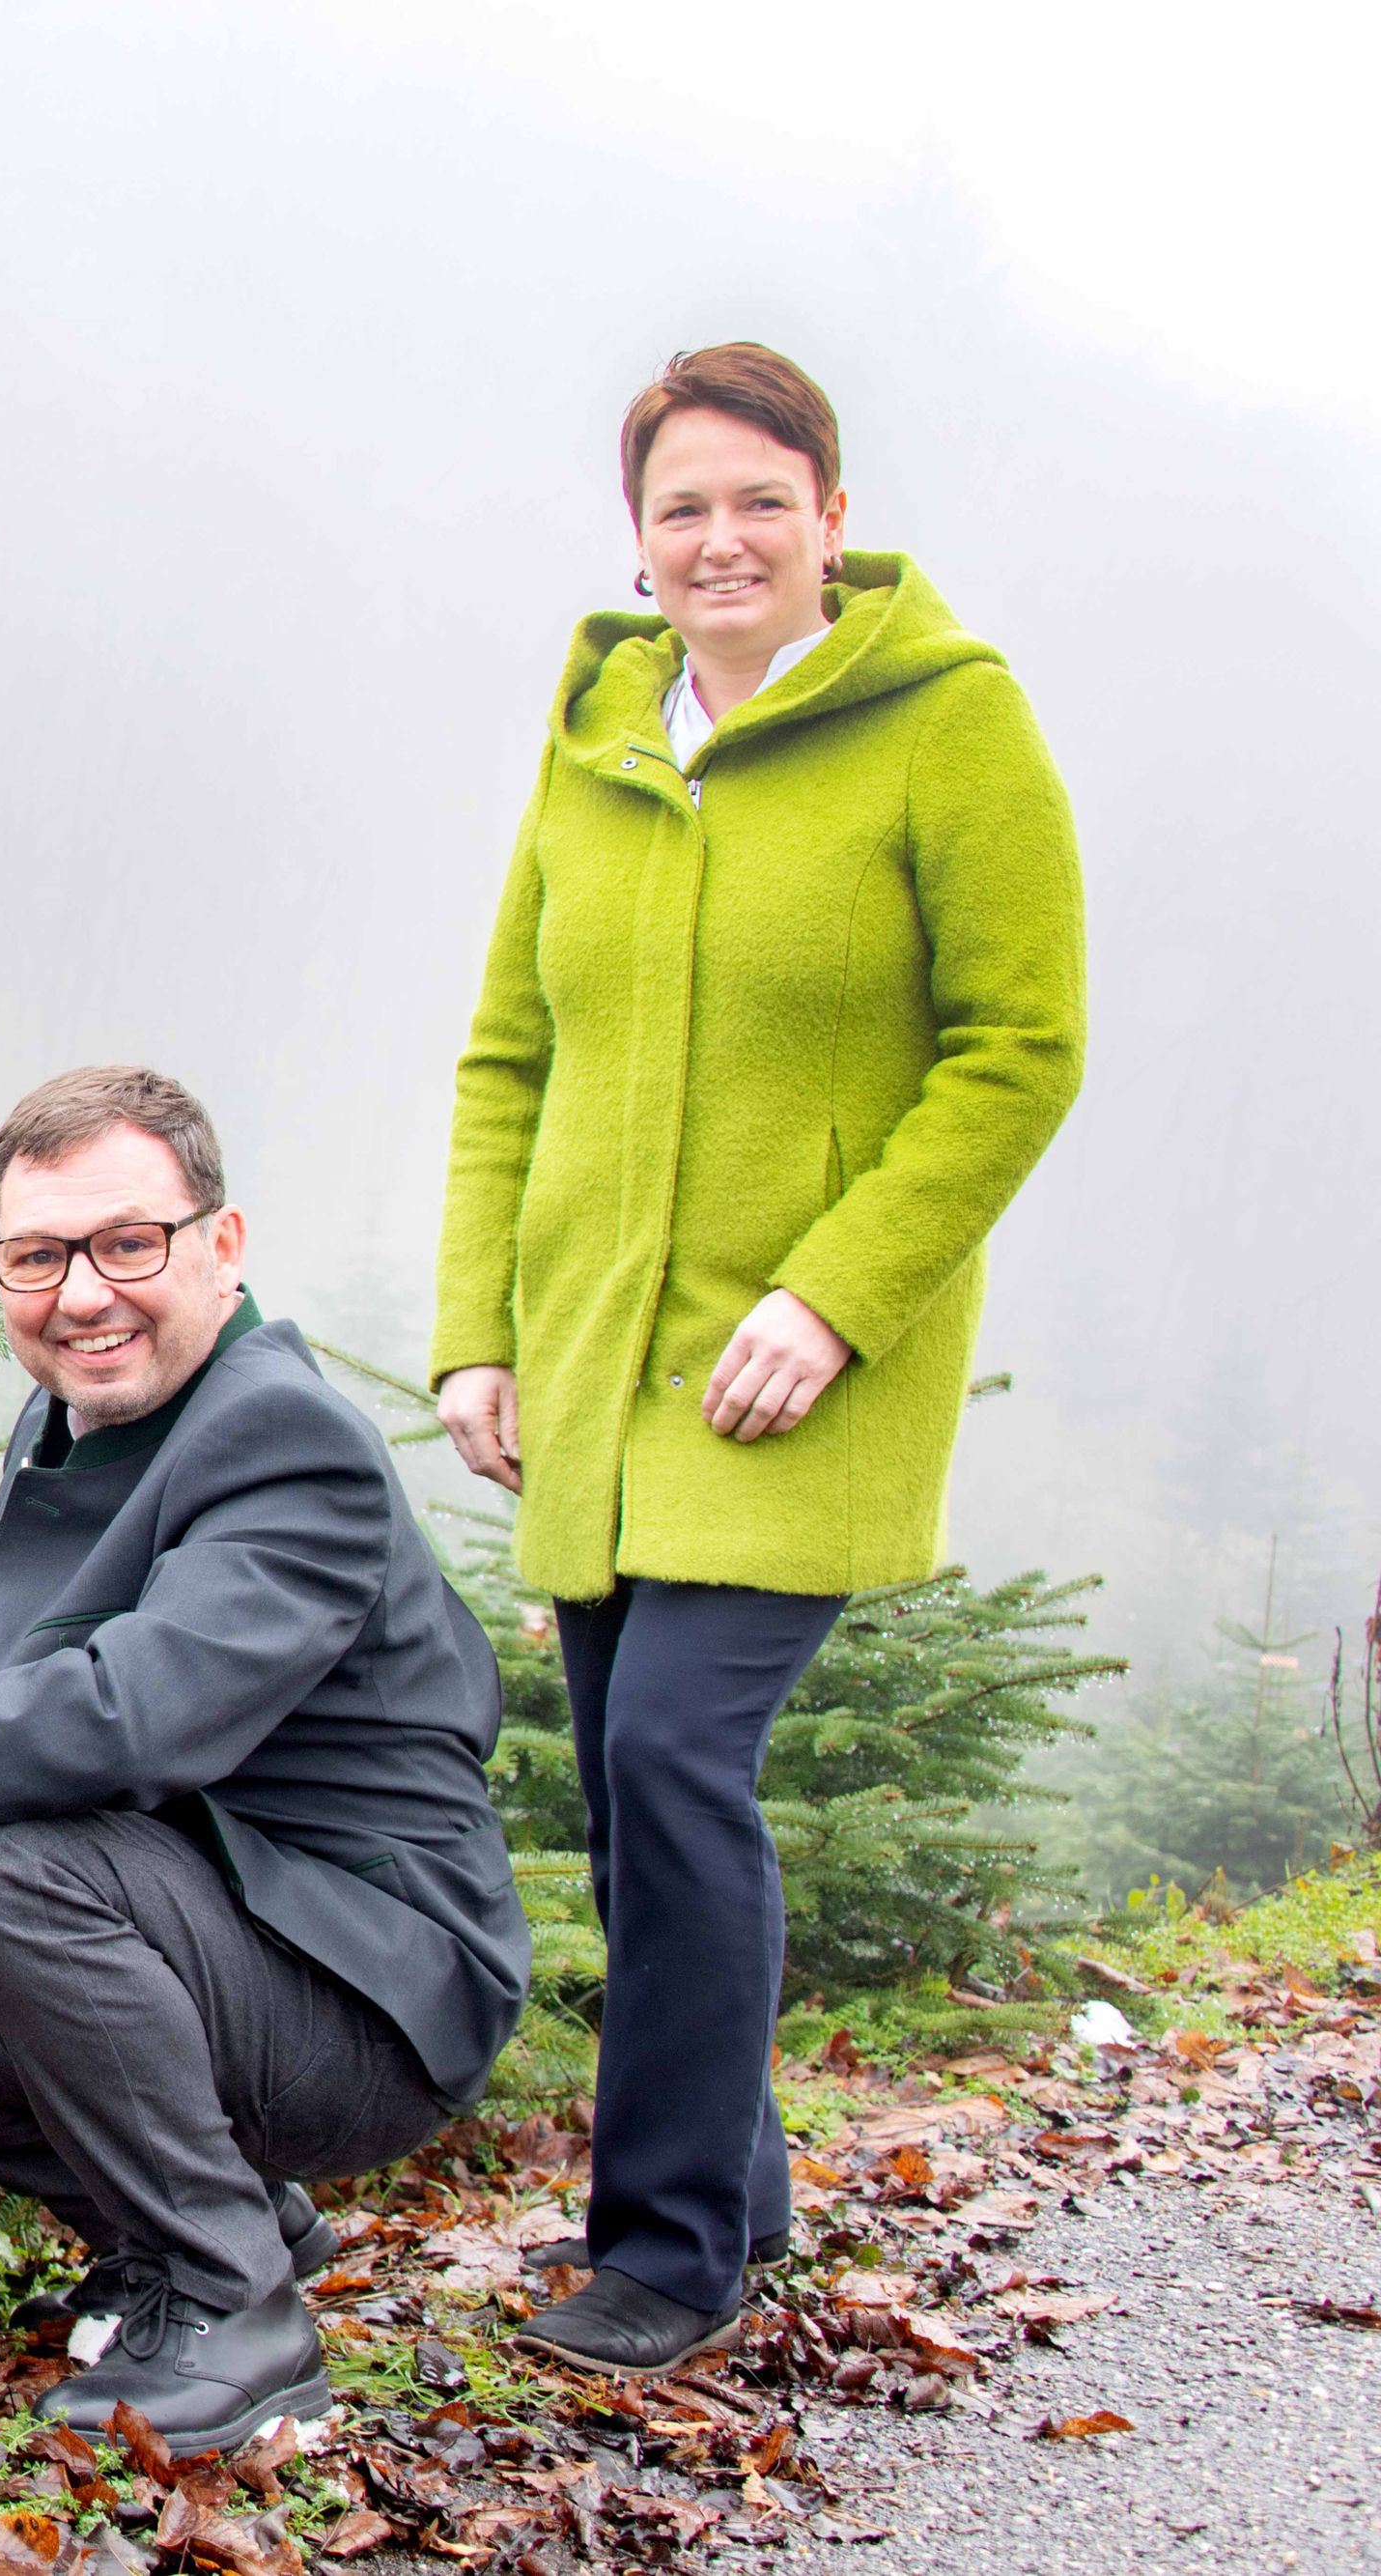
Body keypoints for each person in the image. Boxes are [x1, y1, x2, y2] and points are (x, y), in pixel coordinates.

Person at [430, 344, 1085, 2374]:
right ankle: (745, 2181)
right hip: (596, 1363)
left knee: (663, 1755)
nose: (716, 540)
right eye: (677, 508)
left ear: (825, 513)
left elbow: (1015, 1049)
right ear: (637, 539)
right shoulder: (595, 732)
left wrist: (833, 1290)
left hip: (795, 1358)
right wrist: (477, 1327)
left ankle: (664, 2246)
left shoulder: (946, 727)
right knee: (639, 1805)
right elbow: (507, 1052)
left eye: (753, 500)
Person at [0, 1066, 528, 2452]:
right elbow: (7, 1615)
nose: (81, 1294)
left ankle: (235, 2311)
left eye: (130, 1245)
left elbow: (133, 1704)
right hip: (203, 1924)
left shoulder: (284, 1437)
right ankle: (213, 2222)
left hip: (367, 1992)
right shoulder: (96, 1405)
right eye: (38, 1256)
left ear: (219, 1246)